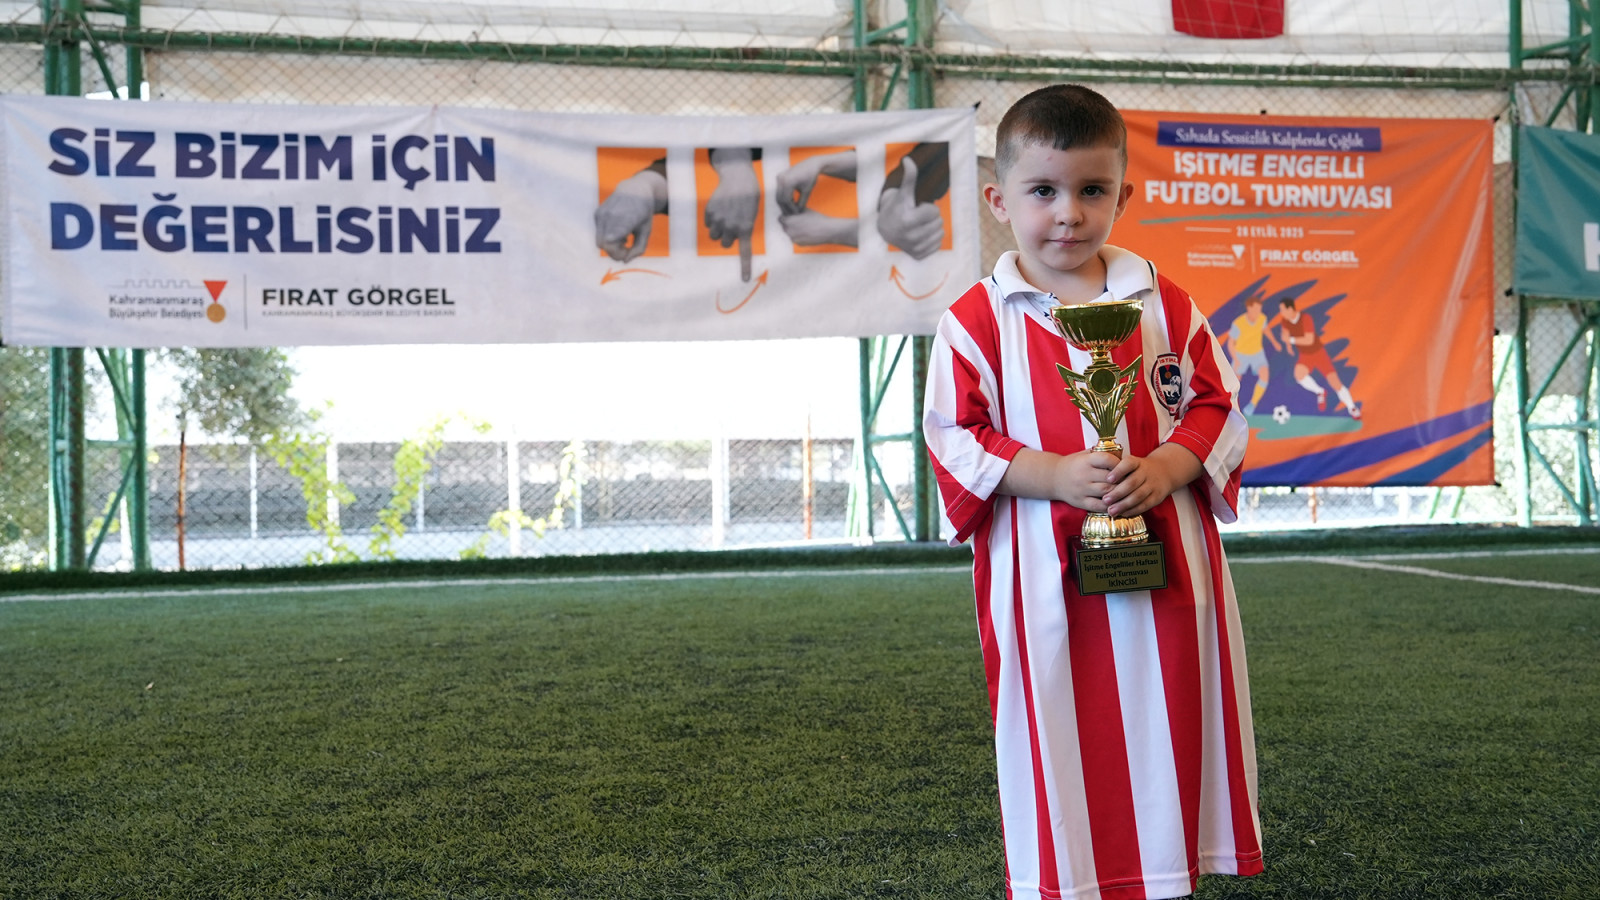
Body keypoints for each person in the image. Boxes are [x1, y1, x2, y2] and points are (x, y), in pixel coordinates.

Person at [922, 84, 1263, 900]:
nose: (1068, 214)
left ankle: (1170, 872)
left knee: (1169, 721)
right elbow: (952, 435)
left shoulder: (1164, 304)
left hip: (1167, 572)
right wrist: (1053, 474)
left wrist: (1167, 468)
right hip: (1043, 584)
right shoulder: (976, 321)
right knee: (1059, 730)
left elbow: (1217, 408)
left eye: (1091, 190)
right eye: (1043, 191)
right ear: (999, 201)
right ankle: (1067, 878)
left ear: (1123, 195)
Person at [1269, 296, 1361, 418]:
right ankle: (1320, 392)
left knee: (1335, 382)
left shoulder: (1305, 318)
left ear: (1290, 309)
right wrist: (1288, 346)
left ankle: (1352, 407)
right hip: (1305, 356)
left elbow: (1309, 340)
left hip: (1318, 353)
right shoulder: (1285, 321)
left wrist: (1290, 340)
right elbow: (1285, 334)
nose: (1281, 313)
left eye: (1282, 310)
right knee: (1299, 375)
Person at [1218, 294, 1282, 415]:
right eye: (1256, 309)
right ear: (1249, 308)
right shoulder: (1239, 323)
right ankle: (1230, 409)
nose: (1258, 312)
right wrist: (1236, 359)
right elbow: (1231, 343)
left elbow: (1266, 330)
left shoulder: (1262, 318)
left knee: (1264, 375)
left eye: (1259, 309)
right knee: (1233, 382)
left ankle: (1252, 404)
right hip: (1241, 354)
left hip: (1257, 354)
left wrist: (1275, 342)